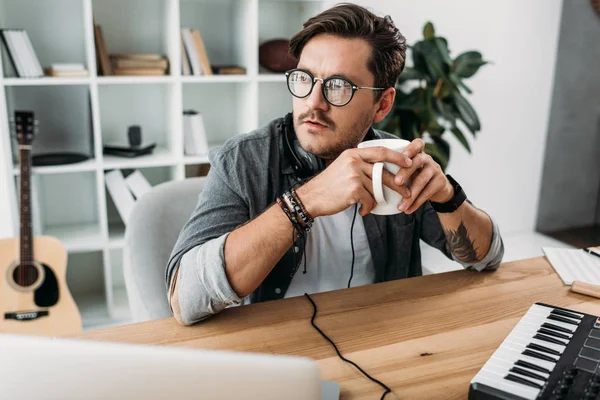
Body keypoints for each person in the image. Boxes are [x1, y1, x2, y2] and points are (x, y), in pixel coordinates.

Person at [166, 3, 504, 326]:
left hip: (385, 342)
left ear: (382, 104)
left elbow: (487, 258)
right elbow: (185, 299)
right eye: (304, 78)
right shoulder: (243, 160)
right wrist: (304, 202)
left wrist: (448, 197)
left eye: (339, 86)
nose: (313, 103)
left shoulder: (396, 162)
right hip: (279, 353)